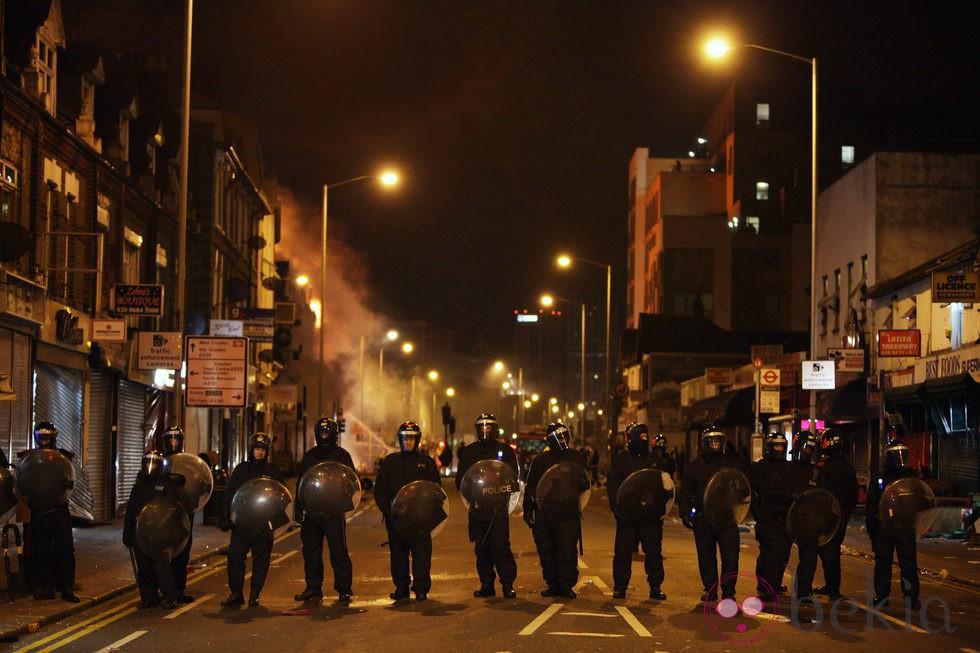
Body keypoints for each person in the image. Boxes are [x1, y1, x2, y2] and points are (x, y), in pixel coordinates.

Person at [455, 413, 519, 599]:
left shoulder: (505, 451)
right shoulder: (470, 452)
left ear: (495, 429)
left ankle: (507, 584)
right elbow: (462, 480)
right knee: (481, 548)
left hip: (498, 508)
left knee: (501, 546)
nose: (485, 431)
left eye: (488, 427)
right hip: (478, 508)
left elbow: (513, 477)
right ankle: (486, 585)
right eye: (481, 427)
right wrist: (473, 495)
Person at [375, 421, 440, 601]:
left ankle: (420, 589)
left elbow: (436, 490)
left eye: (411, 438)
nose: (408, 442)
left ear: (417, 440)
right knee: (398, 556)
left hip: (420, 519)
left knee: (421, 555)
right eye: (405, 438)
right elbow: (380, 490)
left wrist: (428, 512)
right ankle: (401, 588)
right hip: (396, 518)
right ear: (400, 440)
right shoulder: (391, 462)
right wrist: (388, 511)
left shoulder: (426, 463)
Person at [523, 422, 588, 599]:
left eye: (564, 436)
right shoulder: (541, 460)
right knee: (547, 550)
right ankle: (552, 584)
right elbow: (532, 485)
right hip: (545, 511)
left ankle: (566, 585)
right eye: (559, 437)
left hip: (567, 511)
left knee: (566, 550)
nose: (562, 440)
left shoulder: (576, 457)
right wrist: (528, 509)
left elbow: (584, 482)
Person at [294, 417, 356, 603]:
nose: (324, 436)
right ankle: (313, 588)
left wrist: (345, 503)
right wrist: (299, 508)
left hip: (334, 513)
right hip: (312, 512)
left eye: (327, 433)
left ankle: (344, 589)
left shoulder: (342, 456)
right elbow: (301, 484)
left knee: (338, 552)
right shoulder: (309, 456)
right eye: (321, 433)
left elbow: (351, 482)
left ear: (334, 435)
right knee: (311, 552)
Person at [677, 426, 742, 602]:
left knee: (730, 557)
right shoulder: (695, 466)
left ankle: (729, 592)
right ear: (705, 443)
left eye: (717, 442)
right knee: (706, 556)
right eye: (711, 441)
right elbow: (686, 491)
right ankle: (711, 589)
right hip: (703, 518)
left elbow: (742, 488)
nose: (714, 445)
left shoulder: (731, 464)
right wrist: (685, 513)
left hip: (727, 517)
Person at [220, 432, 284, 607]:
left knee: (261, 561)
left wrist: (278, 522)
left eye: (263, 449)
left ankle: (255, 593)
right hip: (242, 523)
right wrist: (226, 517)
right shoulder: (242, 470)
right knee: (235, 558)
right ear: (251, 450)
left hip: (264, 525)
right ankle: (235, 593)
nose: (260, 452)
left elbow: (282, 498)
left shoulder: (273, 471)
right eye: (257, 449)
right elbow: (230, 494)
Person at [607, 422, 668, 600]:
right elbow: (613, 486)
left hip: (649, 516)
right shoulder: (621, 460)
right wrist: (616, 509)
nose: (644, 439)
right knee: (623, 554)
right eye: (640, 436)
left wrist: (660, 510)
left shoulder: (653, 460)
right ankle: (620, 587)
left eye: (645, 436)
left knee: (654, 553)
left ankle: (655, 587)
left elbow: (662, 487)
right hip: (627, 516)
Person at [27, 422, 79, 603]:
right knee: (42, 552)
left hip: (59, 508)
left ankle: (67, 588)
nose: (44, 440)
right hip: (39, 509)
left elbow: (69, 480)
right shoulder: (31, 458)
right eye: (42, 437)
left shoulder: (62, 457)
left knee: (65, 550)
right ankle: (46, 587)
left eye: (48, 437)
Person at [866, 438, 921, 609]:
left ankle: (911, 597)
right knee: (883, 562)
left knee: (909, 564)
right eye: (896, 455)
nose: (900, 459)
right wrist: (872, 528)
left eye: (903, 455)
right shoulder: (880, 478)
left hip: (905, 527)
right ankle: (882, 595)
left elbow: (919, 501)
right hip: (884, 527)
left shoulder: (911, 478)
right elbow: (872, 504)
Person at [123, 451, 181, 609]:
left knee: (161, 566)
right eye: (147, 463)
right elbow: (131, 511)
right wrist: (127, 531)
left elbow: (171, 509)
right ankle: (148, 597)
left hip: (158, 532)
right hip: (139, 531)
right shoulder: (138, 487)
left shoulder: (165, 486)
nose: (150, 467)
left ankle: (170, 597)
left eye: (153, 463)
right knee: (144, 568)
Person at [812, 428, 859, 601]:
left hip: (827, 515)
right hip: (842, 515)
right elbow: (854, 494)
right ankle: (833, 586)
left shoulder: (823, 467)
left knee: (827, 551)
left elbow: (818, 492)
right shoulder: (848, 467)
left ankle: (832, 588)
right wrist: (846, 511)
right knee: (833, 550)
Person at [746, 431, 792, 601]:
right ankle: (764, 585)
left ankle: (774, 584)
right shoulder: (759, 467)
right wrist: (757, 511)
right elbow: (749, 489)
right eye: (776, 446)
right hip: (765, 516)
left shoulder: (788, 468)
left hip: (783, 517)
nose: (779, 449)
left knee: (781, 554)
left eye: (782, 446)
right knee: (767, 552)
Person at [783, 429, 821, 600]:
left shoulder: (815, 471)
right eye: (806, 448)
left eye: (810, 449)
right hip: (786, 517)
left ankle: (804, 591)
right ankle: (771, 587)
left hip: (807, 520)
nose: (807, 452)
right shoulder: (786, 468)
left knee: (809, 558)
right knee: (779, 555)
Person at [162, 425, 194, 604]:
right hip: (165, 514)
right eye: (171, 439)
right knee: (165, 554)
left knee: (183, 554)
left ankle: (179, 590)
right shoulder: (160, 461)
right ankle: (165, 589)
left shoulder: (187, 463)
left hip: (184, 513)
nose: (174, 442)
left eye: (177, 439)